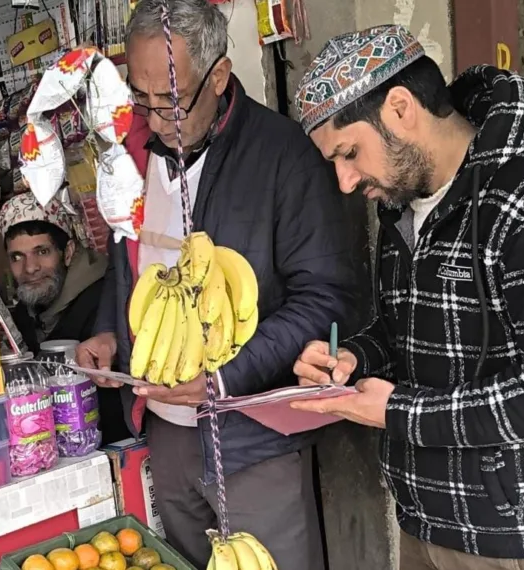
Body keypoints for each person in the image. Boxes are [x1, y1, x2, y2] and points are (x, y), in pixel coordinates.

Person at [290, 25, 524, 570]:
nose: (345, 182)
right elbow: (407, 330)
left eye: (349, 153)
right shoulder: (401, 204)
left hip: (520, 540)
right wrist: (354, 357)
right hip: (424, 518)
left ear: (400, 109)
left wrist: (400, 411)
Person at [74, 0, 357, 565]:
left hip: (253, 437)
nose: (154, 119)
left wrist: (223, 379)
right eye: (141, 98)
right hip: (165, 431)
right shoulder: (133, 153)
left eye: (171, 101)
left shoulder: (284, 158)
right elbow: (128, 263)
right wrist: (109, 332)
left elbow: (326, 298)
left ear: (219, 76)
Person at [0, 192, 130, 445]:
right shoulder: (24, 314)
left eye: (42, 251)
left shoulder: (106, 301)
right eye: (17, 257)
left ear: (68, 252)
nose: (30, 267)